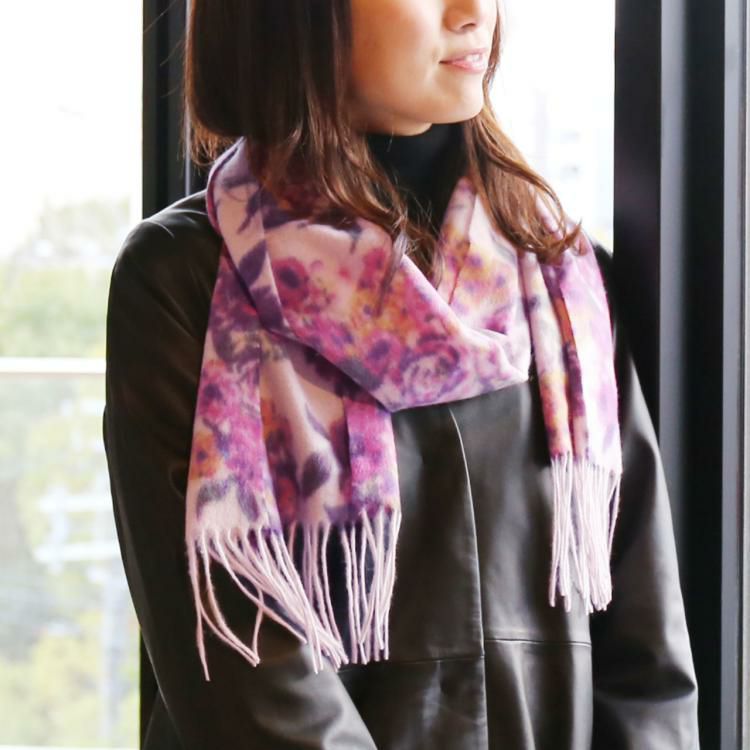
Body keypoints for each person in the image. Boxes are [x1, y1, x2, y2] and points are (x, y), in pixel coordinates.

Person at [103, 0, 700, 747]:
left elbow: (648, 670)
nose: (475, 12)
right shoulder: (185, 278)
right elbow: (244, 676)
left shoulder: (561, 285)